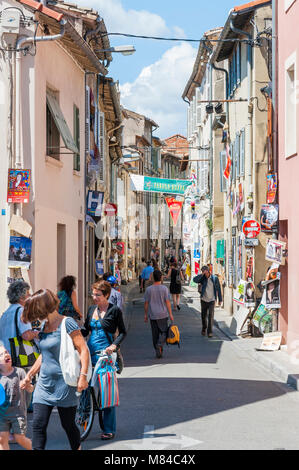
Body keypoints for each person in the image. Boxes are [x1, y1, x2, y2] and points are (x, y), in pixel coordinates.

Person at [21, 289, 90, 450]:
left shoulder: (68, 323)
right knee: (38, 425)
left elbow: (83, 349)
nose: (36, 317)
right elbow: (44, 355)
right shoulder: (43, 326)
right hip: (44, 385)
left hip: (64, 384)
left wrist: (83, 376)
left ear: (43, 308)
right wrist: (29, 375)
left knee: (68, 425)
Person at [81, 280, 127, 440]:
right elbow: (86, 329)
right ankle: (85, 416)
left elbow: (123, 332)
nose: (94, 297)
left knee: (107, 393)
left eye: (97, 295)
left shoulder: (114, 311)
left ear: (106, 295)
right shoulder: (91, 309)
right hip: (89, 355)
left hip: (105, 357)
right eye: (93, 294)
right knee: (85, 389)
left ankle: (108, 428)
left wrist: (114, 345)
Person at [0, 342, 33, 450]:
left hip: (18, 414)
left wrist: (28, 386)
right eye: (1, 355)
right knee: (1, 439)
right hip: (2, 414)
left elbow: (31, 389)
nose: (5, 355)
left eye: (6, 352)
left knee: (19, 438)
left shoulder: (20, 372)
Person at [0, 281, 39, 355]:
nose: (30, 296)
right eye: (28, 294)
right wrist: (37, 333)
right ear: (21, 298)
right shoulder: (21, 311)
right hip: (20, 357)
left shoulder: (5, 314)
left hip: (5, 356)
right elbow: (26, 336)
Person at [144, 270, 174, 359]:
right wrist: (171, 314)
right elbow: (167, 302)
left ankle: (158, 348)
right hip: (163, 314)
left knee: (155, 334)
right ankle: (160, 344)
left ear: (153, 278)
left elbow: (146, 303)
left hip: (152, 315)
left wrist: (146, 315)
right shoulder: (164, 289)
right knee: (164, 332)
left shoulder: (148, 289)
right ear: (161, 278)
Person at [193, 266, 222, 338]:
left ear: (208, 271)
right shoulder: (202, 278)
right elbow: (194, 280)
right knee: (203, 315)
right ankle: (204, 327)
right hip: (204, 299)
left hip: (212, 300)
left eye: (204, 271)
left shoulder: (214, 278)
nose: (204, 273)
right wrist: (201, 275)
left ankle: (210, 332)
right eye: (202, 272)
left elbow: (218, 289)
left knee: (211, 316)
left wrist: (220, 299)